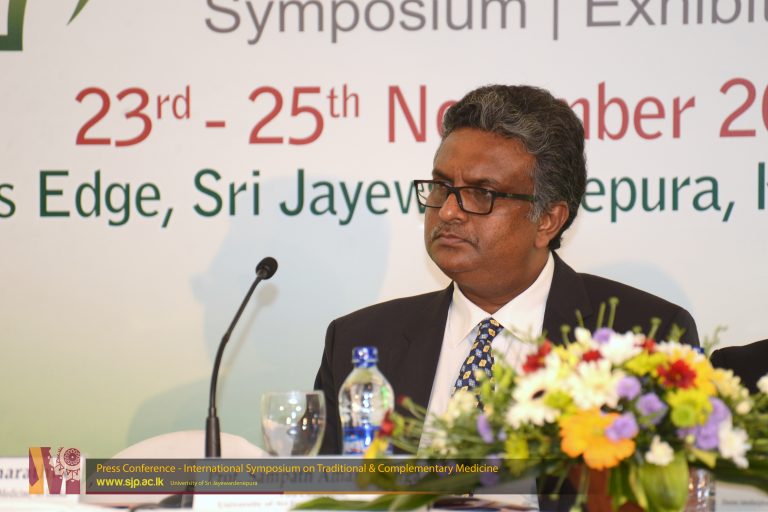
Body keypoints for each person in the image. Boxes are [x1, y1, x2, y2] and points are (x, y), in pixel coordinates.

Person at [314, 85, 699, 457]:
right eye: (441, 186)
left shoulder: (644, 337)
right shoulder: (358, 341)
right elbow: (321, 490)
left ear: (548, 220)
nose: (448, 211)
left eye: (482, 193)